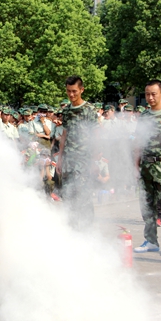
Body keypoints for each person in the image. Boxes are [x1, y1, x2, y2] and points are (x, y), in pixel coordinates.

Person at [134, 80, 161, 257]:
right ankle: (151, 240)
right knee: (146, 204)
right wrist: (135, 163)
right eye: (147, 94)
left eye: (153, 94)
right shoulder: (144, 116)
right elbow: (138, 141)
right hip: (146, 164)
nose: (150, 98)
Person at [56, 76, 98, 228]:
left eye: (74, 91)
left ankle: (87, 231)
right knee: (68, 195)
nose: (71, 95)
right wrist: (60, 159)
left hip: (84, 161)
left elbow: (95, 136)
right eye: (68, 91)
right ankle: (72, 230)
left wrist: (94, 161)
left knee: (84, 196)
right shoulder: (66, 111)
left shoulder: (89, 110)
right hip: (68, 160)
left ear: (82, 90)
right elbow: (64, 135)